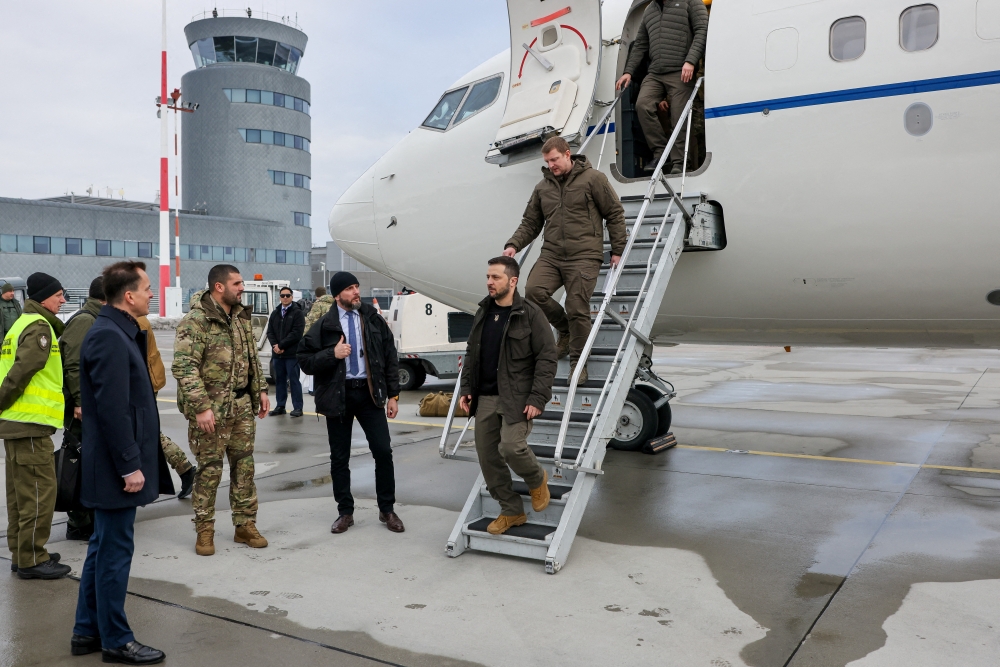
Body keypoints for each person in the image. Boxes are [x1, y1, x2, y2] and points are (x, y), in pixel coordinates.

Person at [71, 261, 171, 664]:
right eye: (147, 288)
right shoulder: (109, 336)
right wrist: (130, 466)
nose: (152, 294)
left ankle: (85, 632)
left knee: (101, 548)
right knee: (114, 554)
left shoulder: (119, 331)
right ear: (128, 296)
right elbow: (113, 412)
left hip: (114, 464)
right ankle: (115, 639)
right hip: (115, 468)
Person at [503, 136, 627, 384]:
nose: (551, 165)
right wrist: (513, 244)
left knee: (577, 308)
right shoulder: (542, 188)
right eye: (547, 161)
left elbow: (614, 213)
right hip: (552, 255)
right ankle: (566, 329)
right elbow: (531, 223)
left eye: (555, 159)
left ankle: (578, 364)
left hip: (584, 255)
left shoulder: (594, 179)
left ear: (568, 154)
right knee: (534, 291)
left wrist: (617, 249)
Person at [172, 264, 270, 556]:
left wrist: (261, 390)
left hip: (241, 408)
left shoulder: (240, 318)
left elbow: (252, 358)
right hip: (211, 412)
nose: (242, 288)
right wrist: (201, 408)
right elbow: (184, 367)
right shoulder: (196, 321)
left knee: (244, 467)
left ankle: (244, 525)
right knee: (210, 471)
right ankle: (204, 529)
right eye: (237, 283)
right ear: (219, 287)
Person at [298, 272, 404, 534]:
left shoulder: (372, 318)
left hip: (369, 395)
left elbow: (390, 356)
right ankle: (345, 512)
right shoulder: (325, 325)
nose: (356, 292)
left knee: (383, 452)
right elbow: (304, 359)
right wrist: (331, 354)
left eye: (357, 287)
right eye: (350, 288)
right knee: (339, 458)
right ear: (337, 296)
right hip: (339, 396)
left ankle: (387, 509)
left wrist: (393, 395)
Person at [458, 257, 557, 534]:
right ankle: (512, 511)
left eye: (496, 277)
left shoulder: (531, 314)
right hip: (486, 397)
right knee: (488, 458)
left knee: (512, 447)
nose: (489, 282)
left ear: (512, 281)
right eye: (488, 277)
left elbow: (547, 358)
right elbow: (471, 353)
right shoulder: (482, 312)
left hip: (517, 397)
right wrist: (467, 389)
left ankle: (537, 479)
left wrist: (538, 398)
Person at [1, 272, 71, 579]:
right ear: (44, 297)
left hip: (18, 425)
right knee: (39, 494)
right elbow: (21, 371)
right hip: (29, 425)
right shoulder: (39, 327)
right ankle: (33, 558)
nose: (63, 300)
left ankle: (22, 552)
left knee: (20, 495)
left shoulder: (20, 323)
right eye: (58, 295)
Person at [615, 0, 709, 174]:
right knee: (642, 105)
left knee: (678, 115)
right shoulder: (649, 10)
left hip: (680, 70)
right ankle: (661, 154)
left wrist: (690, 61)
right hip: (655, 73)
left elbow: (702, 30)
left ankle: (680, 162)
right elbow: (641, 43)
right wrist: (628, 71)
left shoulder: (690, 1)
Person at [60, 276, 106, 541]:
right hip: (83, 407)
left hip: (91, 404)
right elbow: (74, 364)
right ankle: (78, 522)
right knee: (79, 464)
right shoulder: (85, 320)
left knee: (91, 464)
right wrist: (79, 400)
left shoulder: (95, 318)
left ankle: (87, 518)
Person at [136, 315, 196, 498]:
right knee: (146, 432)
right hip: (146, 380)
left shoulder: (134, 318)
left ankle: (185, 470)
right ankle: (185, 470)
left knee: (147, 432)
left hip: (143, 383)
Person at [266, 287, 305, 417]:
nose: (285, 298)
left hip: (291, 354)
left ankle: (298, 407)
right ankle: (280, 405)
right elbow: (270, 331)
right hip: (277, 354)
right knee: (280, 381)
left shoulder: (297, 313)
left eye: (288, 295)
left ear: (292, 297)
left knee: (294, 380)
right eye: (283, 296)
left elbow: (297, 333)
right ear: (279, 297)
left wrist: (282, 345)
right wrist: (275, 346)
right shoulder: (276, 313)